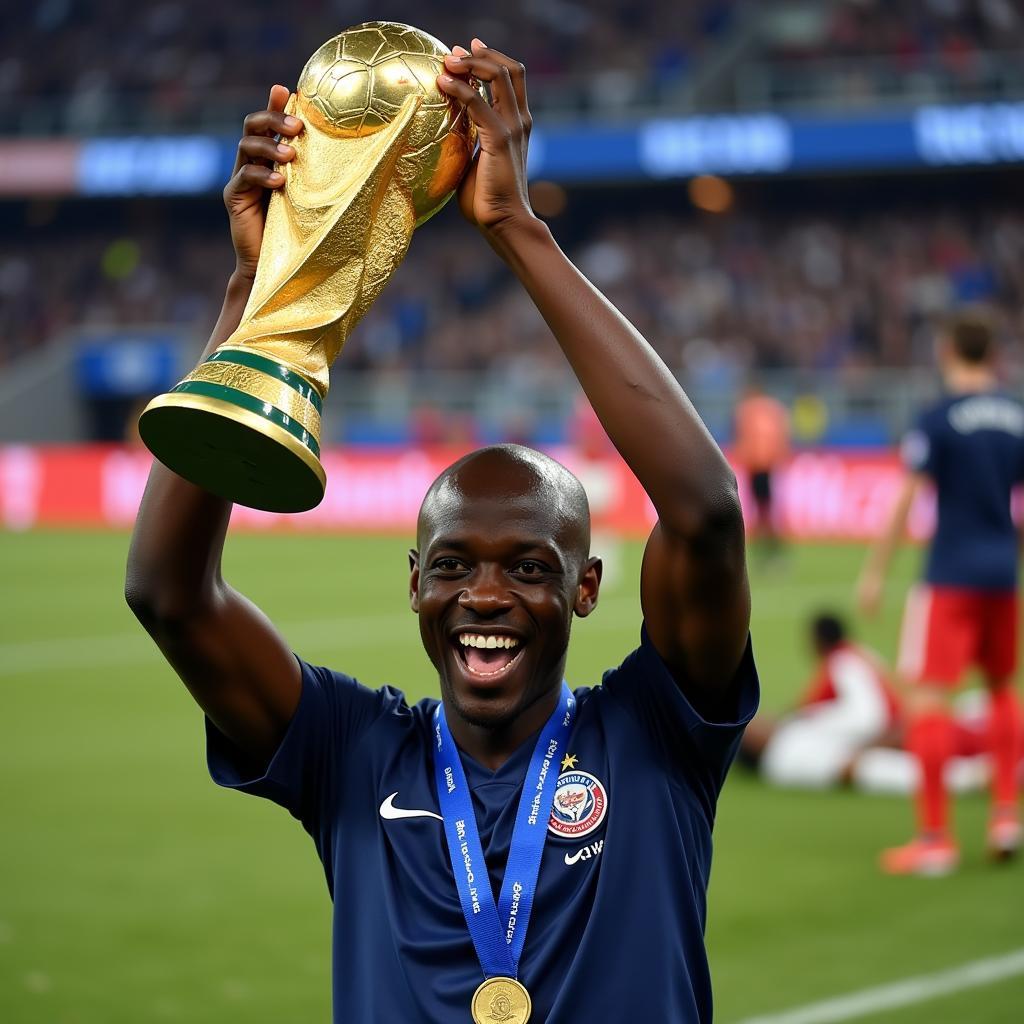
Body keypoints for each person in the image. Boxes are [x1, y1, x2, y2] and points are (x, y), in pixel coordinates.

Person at [125, 41, 757, 1024]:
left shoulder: (653, 734)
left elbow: (708, 514)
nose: (487, 596)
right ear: (413, 581)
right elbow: (170, 596)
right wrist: (261, 297)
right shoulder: (354, 754)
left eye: (529, 568)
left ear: (587, 588)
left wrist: (515, 225)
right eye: (454, 565)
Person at [857, 309, 1024, 875]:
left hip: (950, 574)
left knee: (928, 698)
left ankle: (935, 838)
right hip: (1003, 573)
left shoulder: (940, 417)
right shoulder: (1016, 415)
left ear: (951, 350)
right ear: (993, 353)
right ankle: (1005, 814)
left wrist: (876, 571)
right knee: (1002, 687)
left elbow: (906, 499)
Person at [740, 613, 897, 788]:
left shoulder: (839, 663)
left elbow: (810, 707)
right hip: (885, 722)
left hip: (879, 724)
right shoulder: (860, 655)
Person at [733, 381, 790, 560]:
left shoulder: (746, 410)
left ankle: (768, 550)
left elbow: (742, 437)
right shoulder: (774, 409)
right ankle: (771, 549)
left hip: (757, 465)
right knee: (767, 508)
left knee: (762, 509)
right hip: (770, 464)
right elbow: (781, 436)